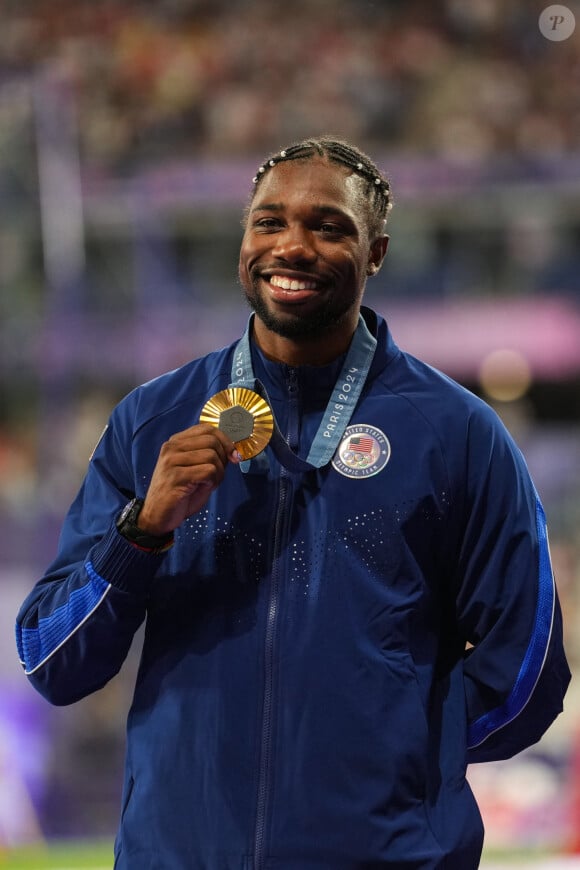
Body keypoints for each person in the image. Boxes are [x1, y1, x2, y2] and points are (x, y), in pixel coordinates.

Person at [16, 137, 570, 869]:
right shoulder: (154, 421)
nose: (292, 246)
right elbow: (52, 660)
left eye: (328, 226)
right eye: (269, 222)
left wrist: (396, 756)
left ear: (375, 252)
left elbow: (528, 669)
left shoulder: (457, 433)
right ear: (245, 237)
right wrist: (141, 532)